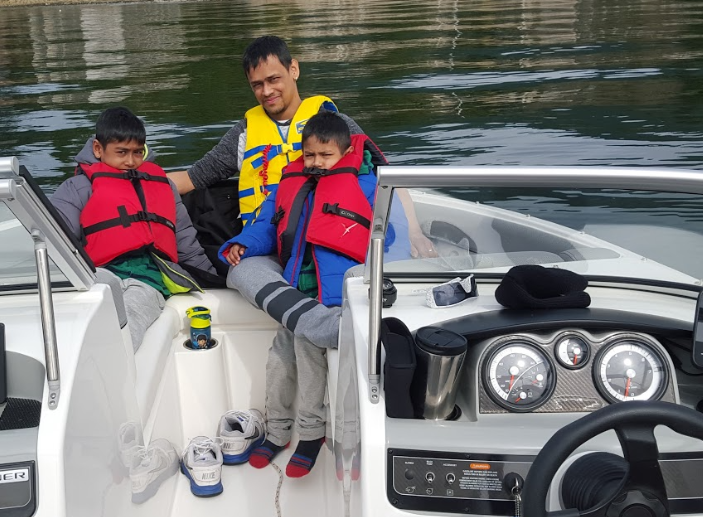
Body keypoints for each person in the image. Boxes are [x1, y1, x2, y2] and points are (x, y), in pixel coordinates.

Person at [169, 36, 436, 349]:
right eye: (257, 84)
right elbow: (192, 178)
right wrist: (126, 179)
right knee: (238, 272)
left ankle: (313, 319)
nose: (266, 91)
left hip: (329, 241)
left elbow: (384, 179)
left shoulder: (336, 126)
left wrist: (415, 232)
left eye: (273, 79)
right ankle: (323, 326)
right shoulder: (242, 135)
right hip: (271, 243)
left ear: (293, 69)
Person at [218, 111, 380, 478]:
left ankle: (310, 434)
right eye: (310, 156)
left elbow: (385, 236)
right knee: (279, 358)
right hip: (298, 291)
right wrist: (243, 243)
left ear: (344, 153)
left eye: (326, 156)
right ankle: (277, 430)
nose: (317, 164)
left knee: (308, 351)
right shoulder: (289, 182)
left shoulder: (367, 185)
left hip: (335, 293)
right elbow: (265, 226)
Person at [51, 107, 215, 351]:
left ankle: (113, 373)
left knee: (129, 320)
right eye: (121, 152)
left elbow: (186, 243)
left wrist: (212, 281)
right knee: (88, 315)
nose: (130, 161)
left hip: (147, 280)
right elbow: (55, 243)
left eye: (138, 153)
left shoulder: (163, 187)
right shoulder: (75, 189)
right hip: (99, 276)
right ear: (98, 149)